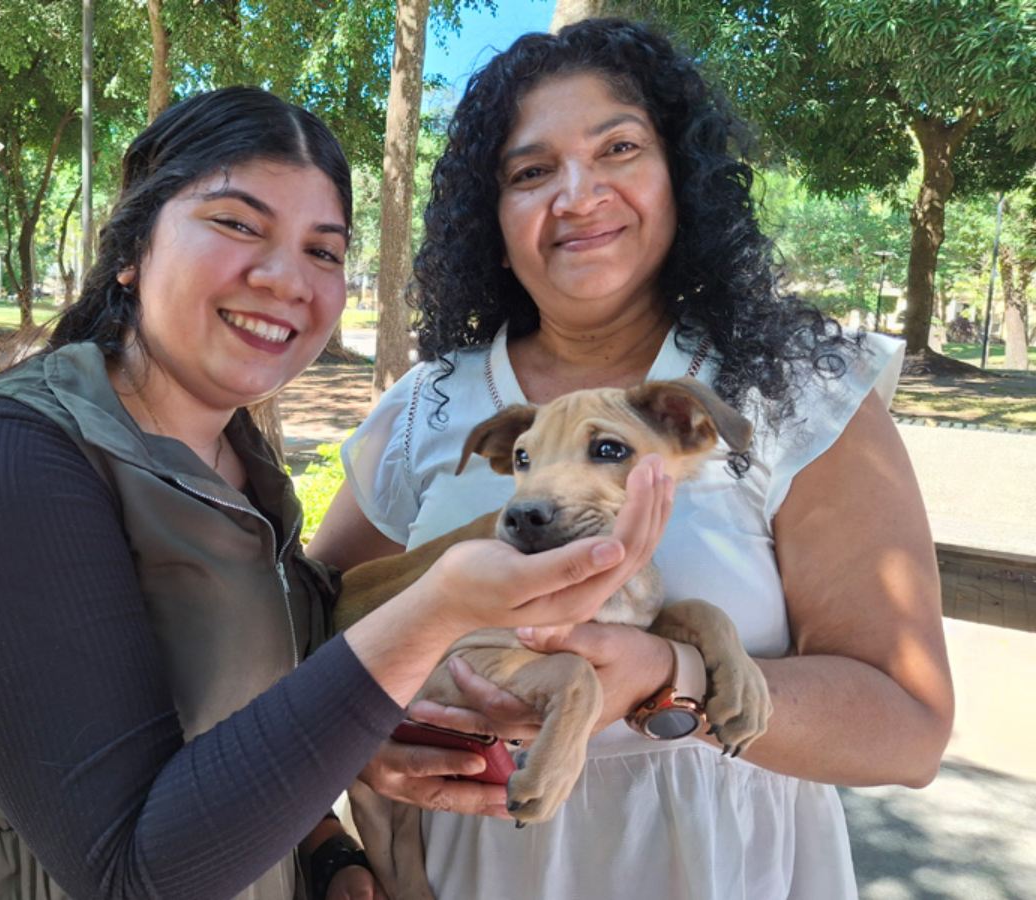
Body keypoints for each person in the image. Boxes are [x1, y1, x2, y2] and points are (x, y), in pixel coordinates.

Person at [0, 86, 671, 900]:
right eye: (239, 225)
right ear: (132, 249)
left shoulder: (247, 475)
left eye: (323, 251)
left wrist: (328, 851)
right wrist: (438, 612)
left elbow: (237, 735)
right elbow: (130, 874)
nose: (286, 278)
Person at [308, 19, 954, 900]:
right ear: (490, 218)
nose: (577, 194)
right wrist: (355, 751)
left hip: (721, 870)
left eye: (619, 147)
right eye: (531, 172)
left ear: (681, 178)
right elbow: (308, 638)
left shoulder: (793, 393)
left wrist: (669, 679)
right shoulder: (431, 406)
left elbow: (909, 728)